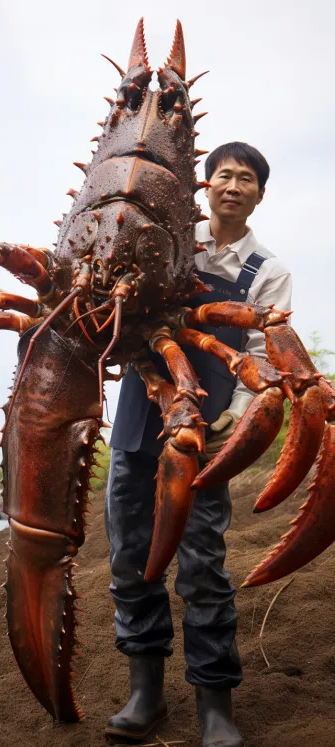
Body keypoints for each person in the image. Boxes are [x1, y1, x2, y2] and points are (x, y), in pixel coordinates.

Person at [104, 142, 292, 747]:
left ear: (260, 193)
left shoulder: (266, 269)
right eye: (223, 176)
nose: (233, 186)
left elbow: (265, 357)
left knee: (203, 566)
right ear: (202, 186)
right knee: (130, 559)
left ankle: (216, 705)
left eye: (246, 180)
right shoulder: (166, 235)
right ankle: (146, 693)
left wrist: (233, 421)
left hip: (206, 435)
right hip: (139, 418)